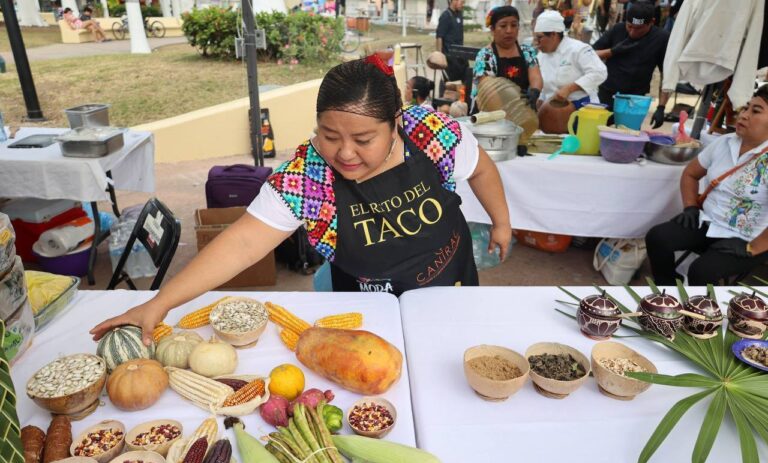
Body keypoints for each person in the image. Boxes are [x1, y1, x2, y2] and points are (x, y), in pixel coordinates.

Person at [90, 55, 513, 345]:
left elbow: (480, 169)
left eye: (363, 140)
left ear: (396, 124)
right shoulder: (308, 176)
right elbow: (242, 242)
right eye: (330, 136)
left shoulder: (432, 136)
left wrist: (501, 222)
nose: (345, 153)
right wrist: (159, 303)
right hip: (367, 304)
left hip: (447, 281)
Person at [645, 86, 768, 285]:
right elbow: (691, 174)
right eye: (746, 108)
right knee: (658, 238)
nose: (743, 115)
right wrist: (691, 207)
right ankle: (668, 293)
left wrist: (753, 248)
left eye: (755, 111)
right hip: (709, 222)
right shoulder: (725, 142)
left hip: (747, 238)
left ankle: (701, 313)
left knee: (701, 272)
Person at [593, 1, 669, 125]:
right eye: (629, 26)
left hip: (635, 99)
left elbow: (666, 74)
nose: (632, 32)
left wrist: (661, 107)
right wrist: (612, 51)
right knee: (597, 131)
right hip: (607, 92)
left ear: (651, 22)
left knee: (626, 137)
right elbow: (589, 55)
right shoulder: (618, 29)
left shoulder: (661, 38)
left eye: (638, 28)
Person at [471, 6, 543, 112]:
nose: (509, 30)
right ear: (492, 29)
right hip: (490, 113)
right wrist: (508, 113)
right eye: (503, 26)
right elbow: (488, 91)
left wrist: (534, 92)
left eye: (514, 25)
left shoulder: (527, 52)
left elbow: (535, 76)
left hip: (521, 110)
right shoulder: (486, 56)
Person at [534, 9, 607, 106]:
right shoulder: (541, 56)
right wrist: (541, 99)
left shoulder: (578, 49)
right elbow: (545, 86)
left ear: (553, 34)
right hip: (553, 109)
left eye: (539, 38)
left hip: (582, 105)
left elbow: (599, 72)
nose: (536, 42)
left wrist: (570, 89)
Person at [436, 0, 471, 94]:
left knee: (468, 77)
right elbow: (439, 37)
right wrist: (440, 56)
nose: (463, 5)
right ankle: (441, 102)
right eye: (461, 2)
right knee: (446, 81)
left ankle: (465, 100)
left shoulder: (460, 14)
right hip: (449, 57)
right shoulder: (445, 16)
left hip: (460, 55)